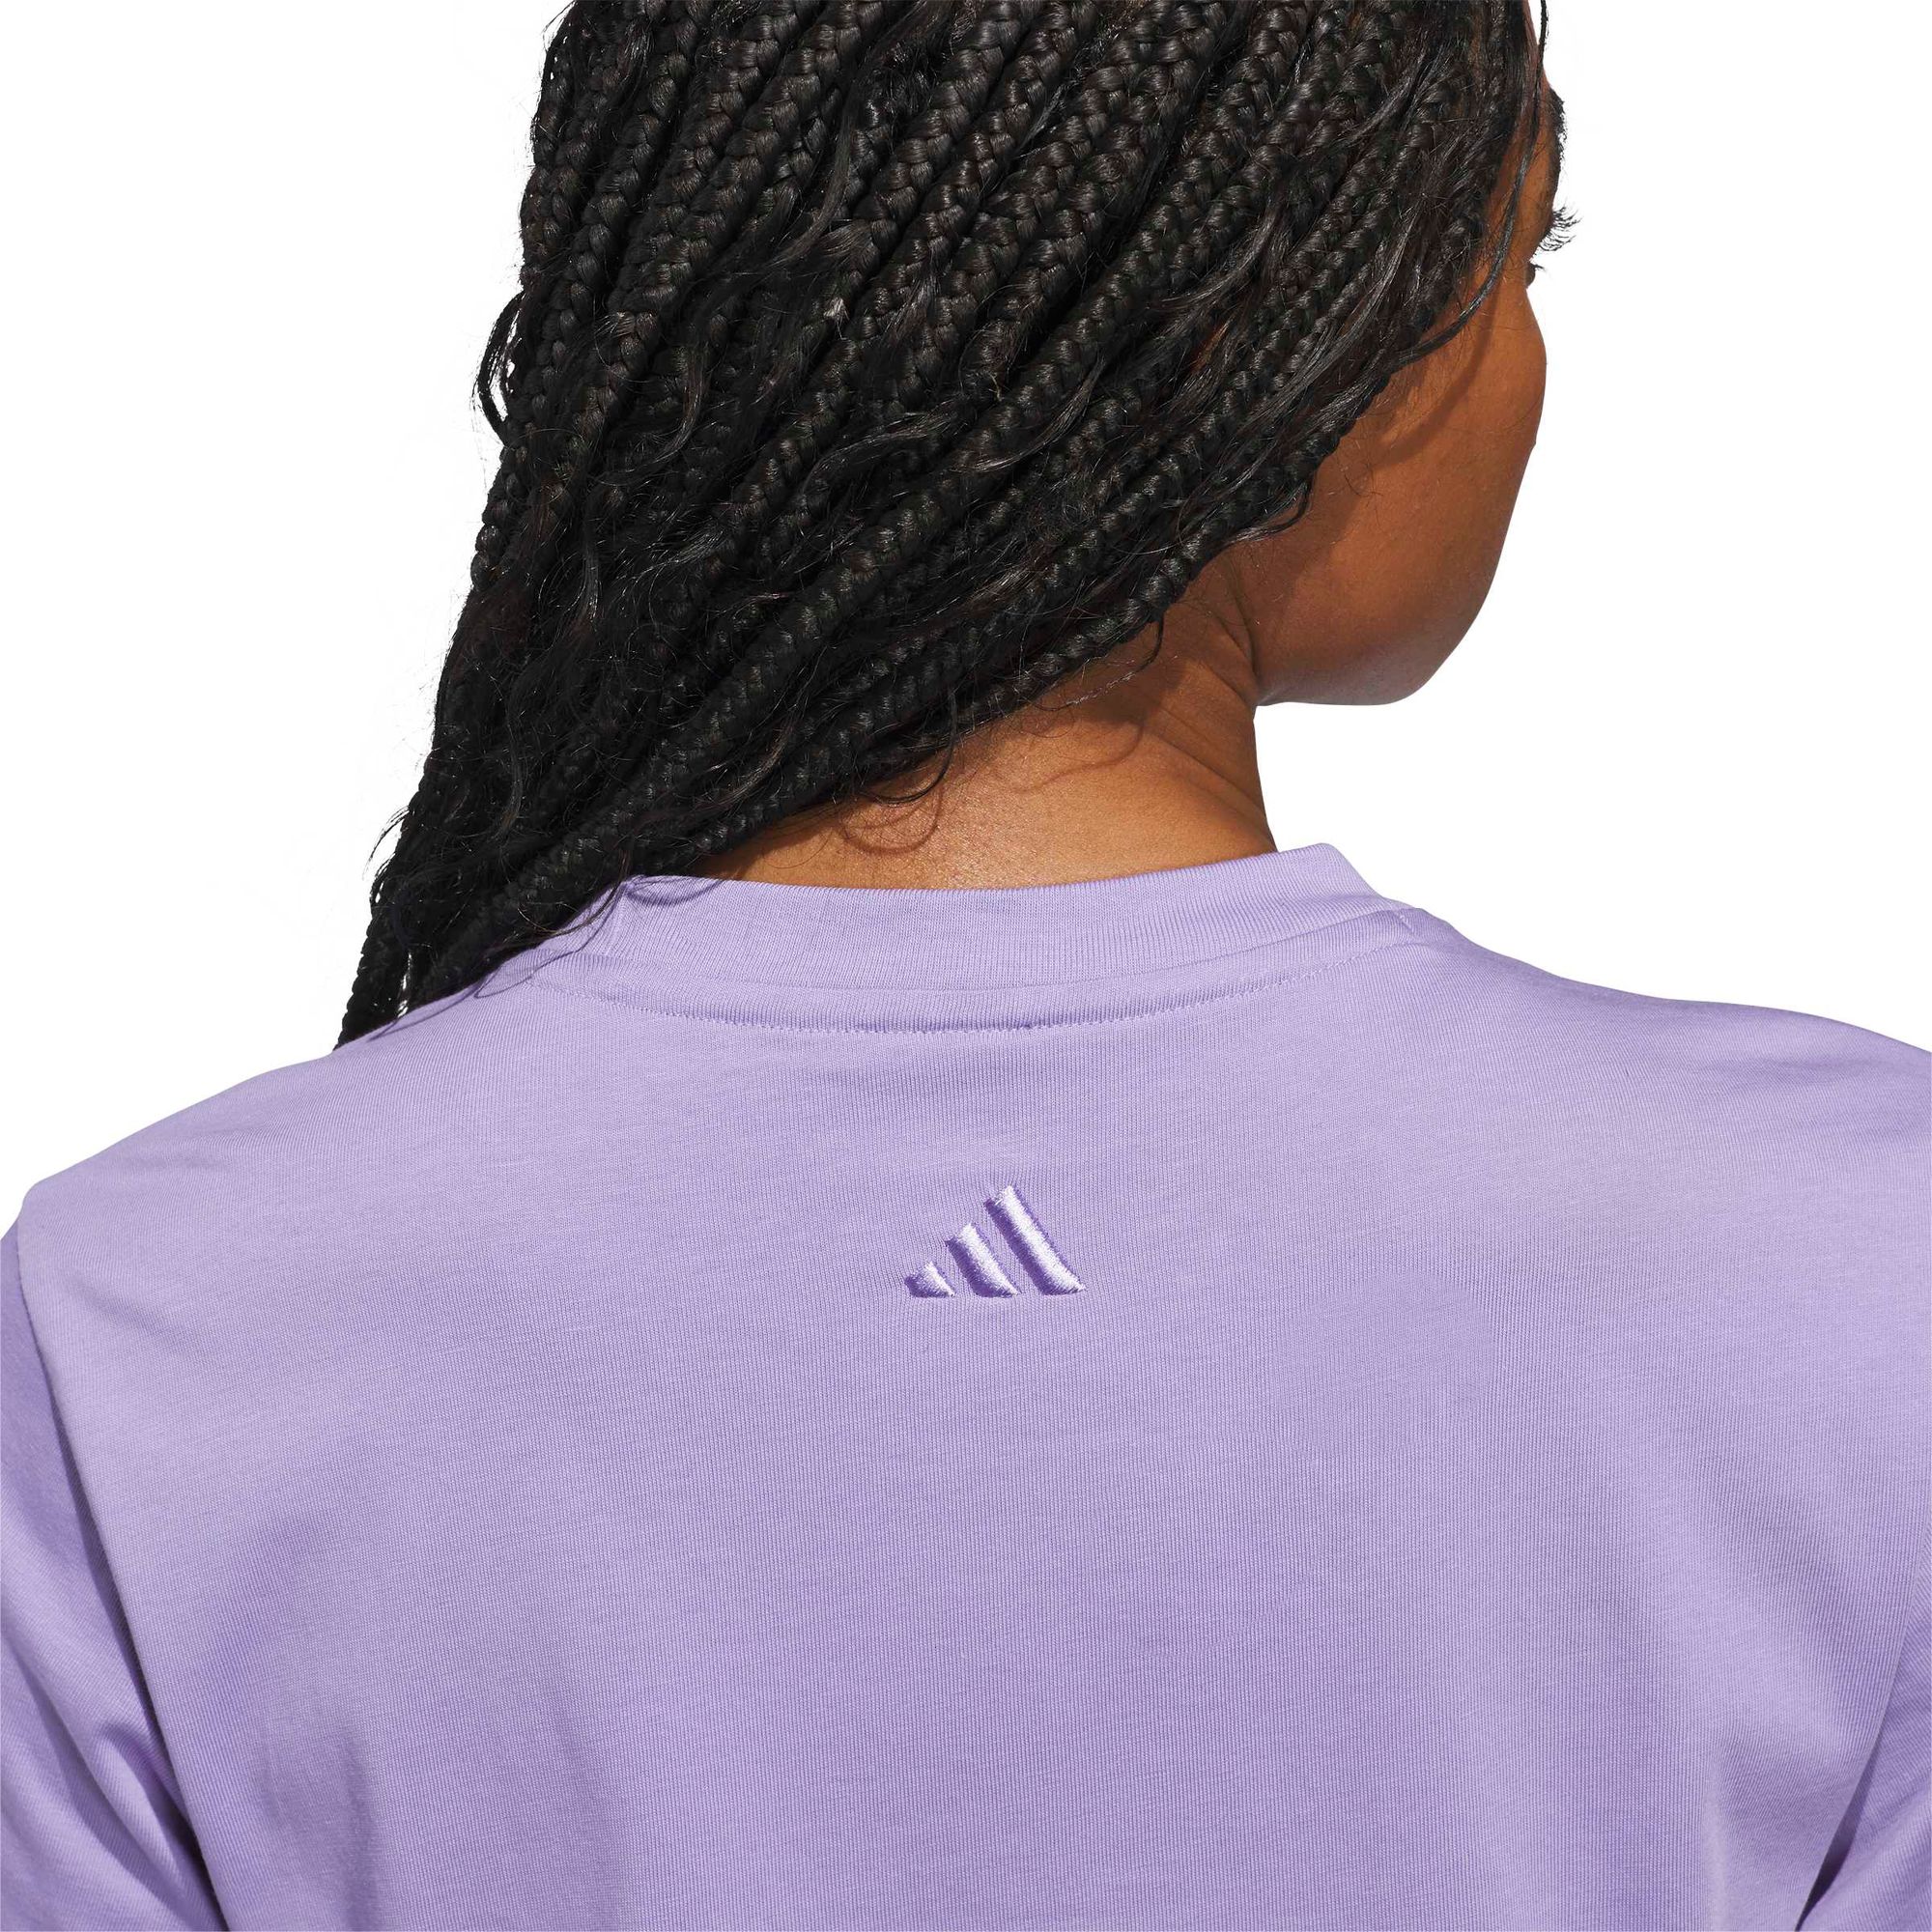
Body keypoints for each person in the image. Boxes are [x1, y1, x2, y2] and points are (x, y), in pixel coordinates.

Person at [4, 3, 1923, 1927]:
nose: (1522, 361)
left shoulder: (146, 1325)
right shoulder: (1861, 1250)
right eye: (1520, 254)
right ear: (1271, 326)